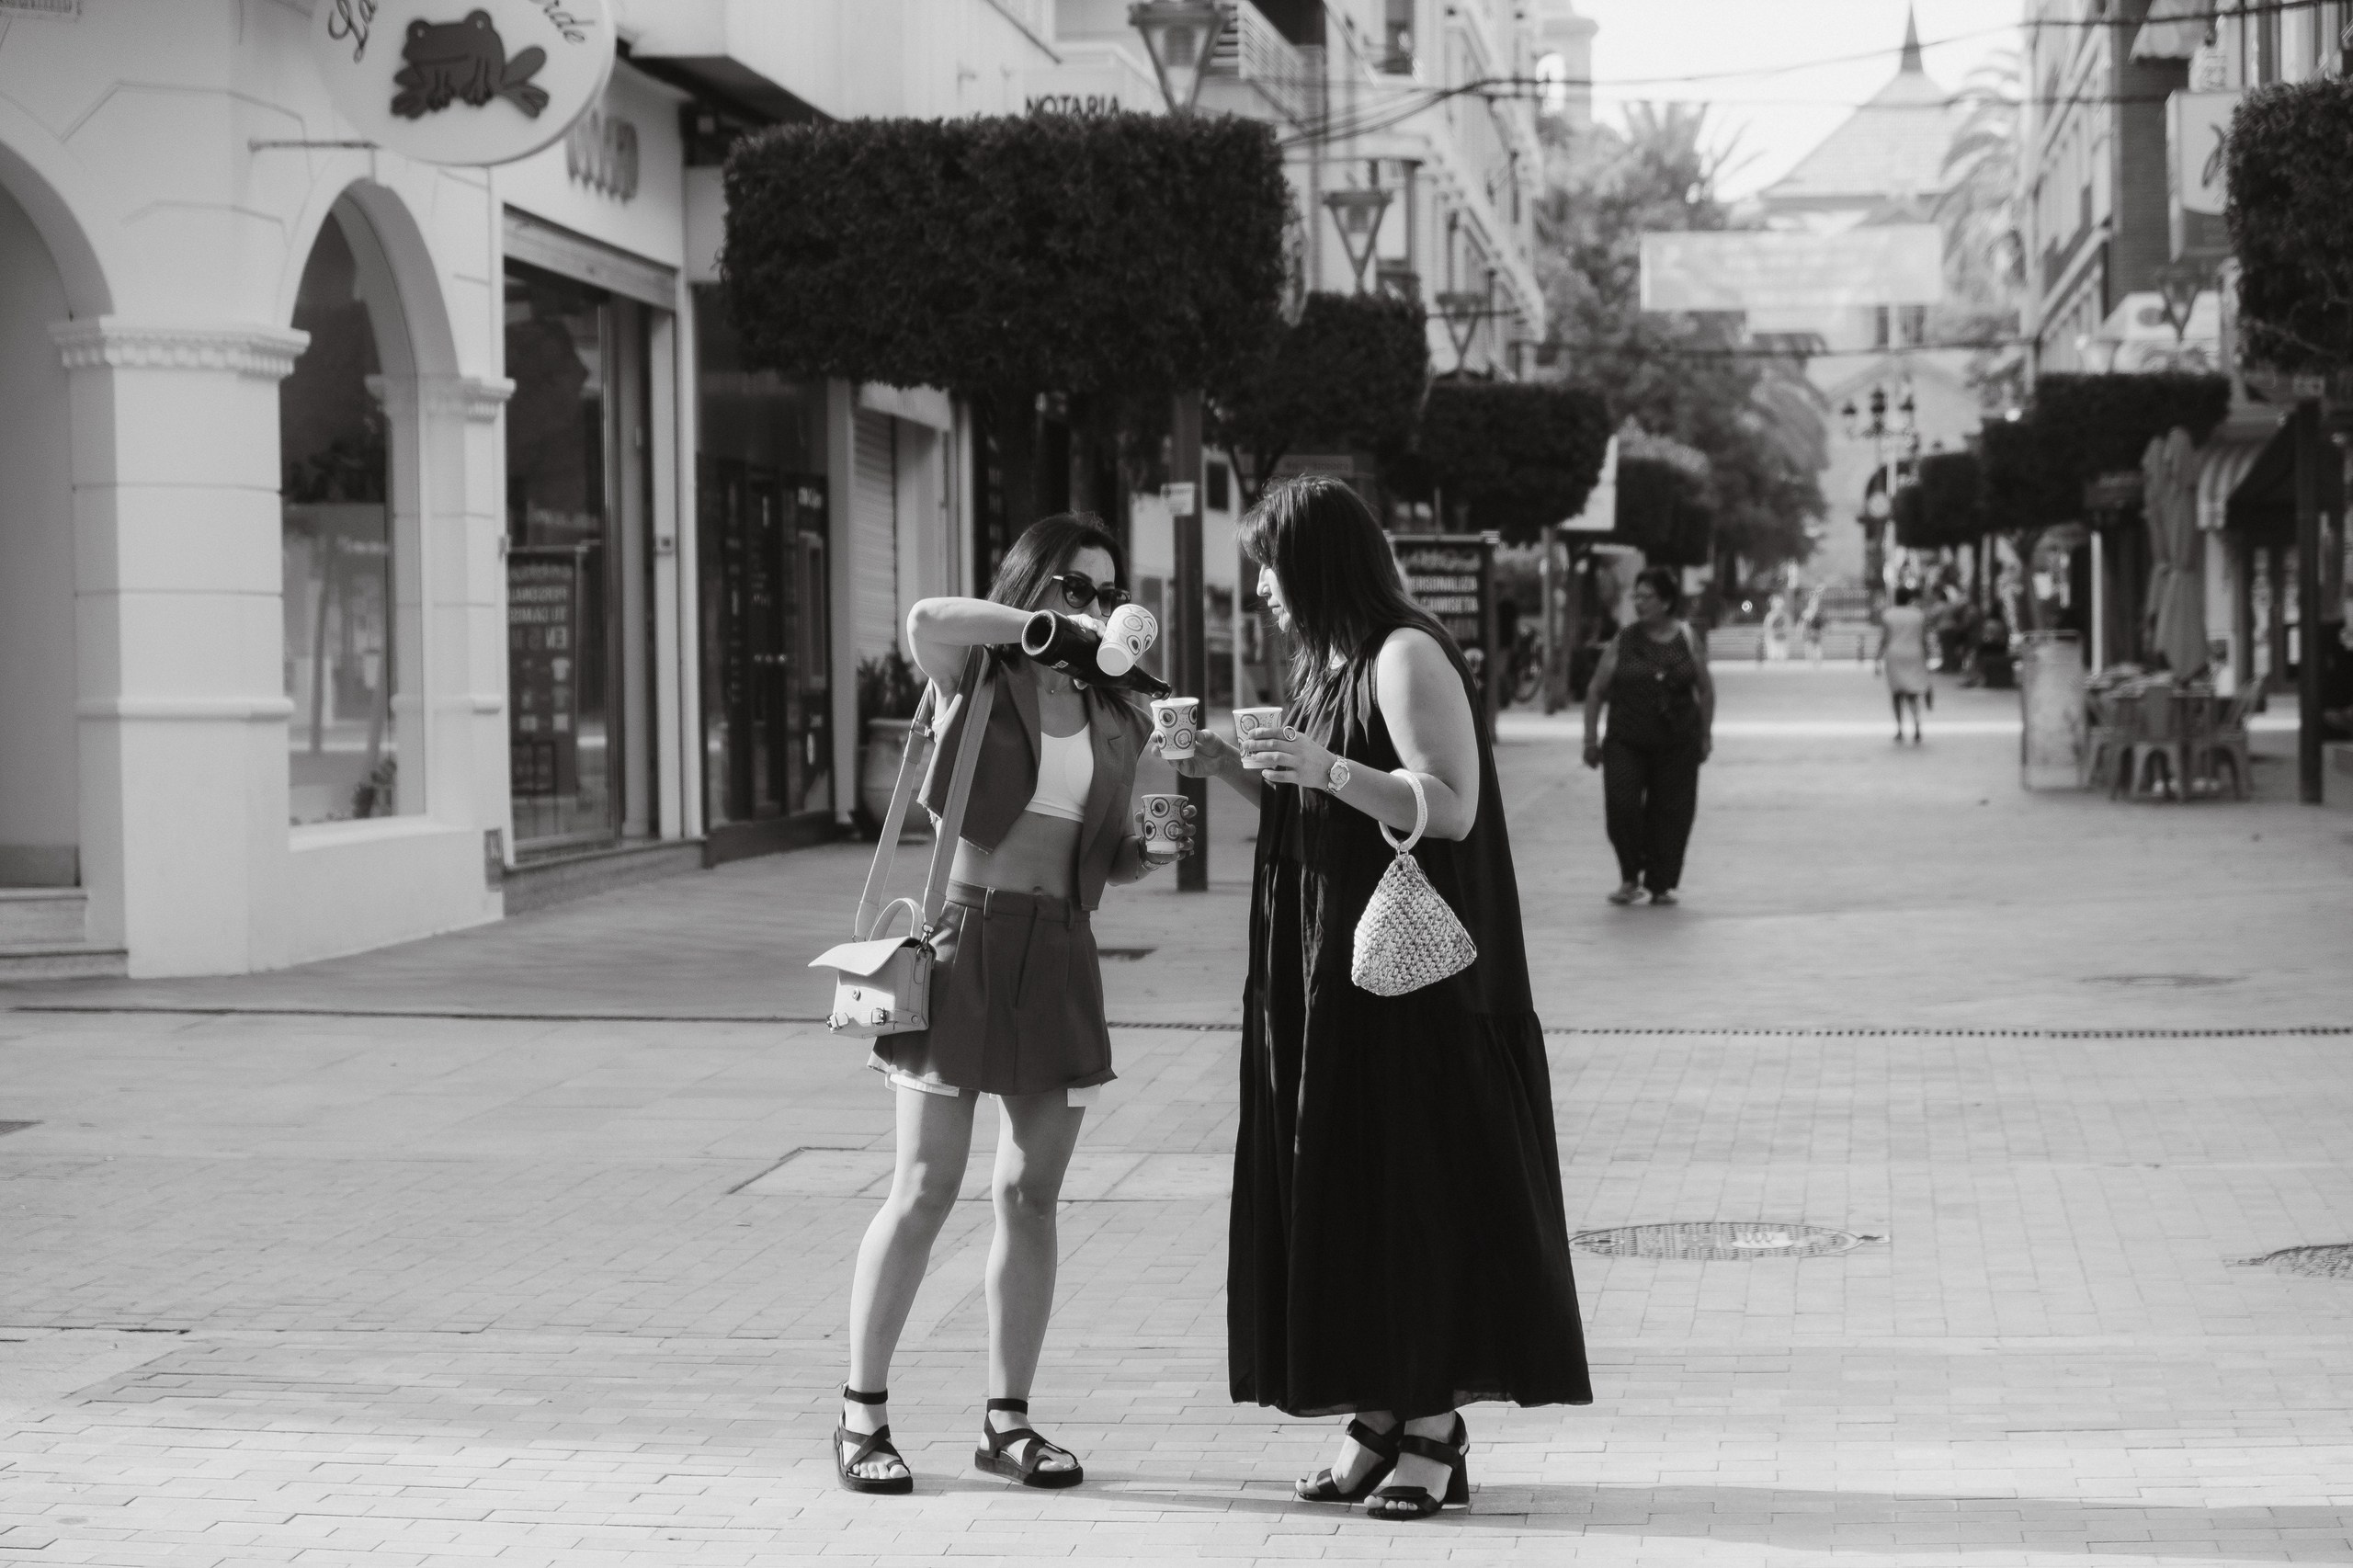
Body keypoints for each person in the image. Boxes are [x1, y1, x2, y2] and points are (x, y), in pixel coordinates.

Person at [1165, 475, 1591, 1522]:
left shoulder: (1405, 654)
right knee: (1346, 1180)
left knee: (1411, 1186)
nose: (1260, 589)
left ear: (1316, 564)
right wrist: (1233, 766)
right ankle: (1378, 1413)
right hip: (1323, 968)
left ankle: (1433, 1428)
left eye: (1270, 567)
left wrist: (1323, 766)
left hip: (1406, 985)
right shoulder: (1327, 662)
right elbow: (1318, 800)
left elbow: (1450, 805)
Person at [833, 513, 1191, 1495]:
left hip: (1062, 947)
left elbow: (1110, 854)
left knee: (1030, 1196)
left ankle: (1008, 1420)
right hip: (966, 940)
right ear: (1035, 586)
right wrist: (1049, 630)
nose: (1095, 608)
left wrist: (1155, 849)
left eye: (1107, 593)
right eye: (1075, 588)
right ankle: (861, 1412)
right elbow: (925, 617)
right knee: (925, 1185)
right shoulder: (981, 671)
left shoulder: (1118, 710)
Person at [1581, 566, 1715, 906]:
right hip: (1626, 741)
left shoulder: (1687, 638)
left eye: (1647, 597)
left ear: (1666, 601)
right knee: (1622, 805)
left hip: (1677, 742)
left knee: (1672, 812)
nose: (1639, 603)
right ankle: (1630, 877)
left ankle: (1660, 883)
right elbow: (1596, 691)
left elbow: (1705, 689)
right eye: (1636, 596)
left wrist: (1705, 734)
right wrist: (1590, 740)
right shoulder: (1624, 640)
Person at [1879, 584, 1932, 744]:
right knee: (1912, 692)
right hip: (1914, 654)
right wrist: (1927, 658)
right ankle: (1916, 725)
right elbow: (1924, 638)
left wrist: (1877, 658)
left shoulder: (1888, 615)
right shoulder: (1918, 615)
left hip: (1894, 655)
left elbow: (1884, 639)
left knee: (1896, 693)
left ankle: (1900, 729)